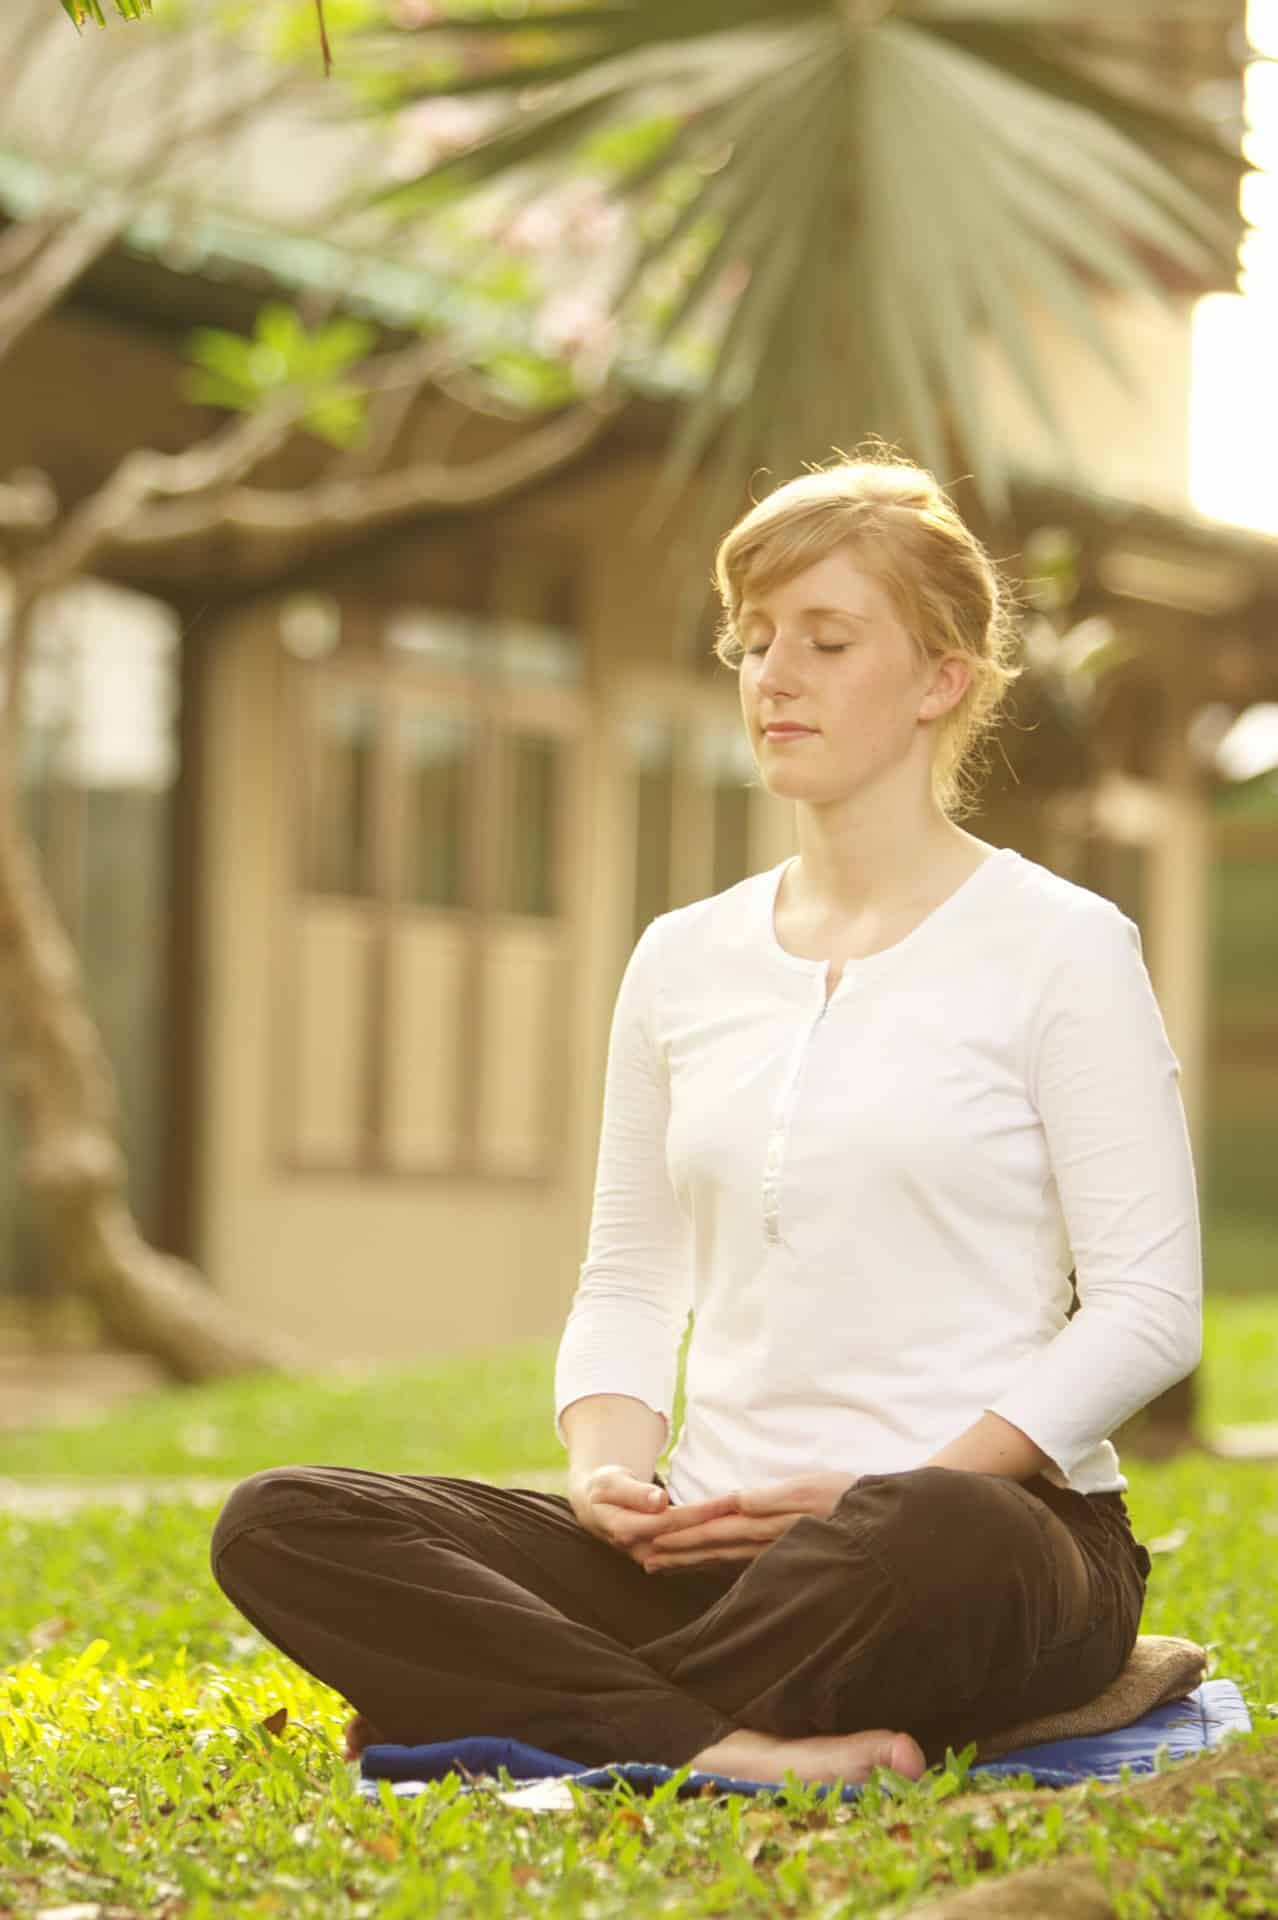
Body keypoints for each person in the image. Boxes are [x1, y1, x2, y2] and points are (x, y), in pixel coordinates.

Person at [209, 455, 1201, 1789]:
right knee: (284, 1522)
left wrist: (870, 1490)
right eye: (751, 641)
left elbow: (1144, 1310)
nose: (769, 675)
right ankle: (727, 1744)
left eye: (824, 640)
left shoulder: (1059, 947)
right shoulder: (684, 957)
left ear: (938, 680)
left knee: (930, 1536)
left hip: (983, 1538)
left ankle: (533, 1716)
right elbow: (629, 1273)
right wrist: (607, 1470)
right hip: (708, 1552)